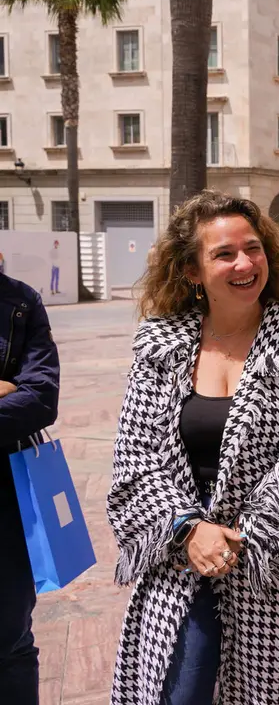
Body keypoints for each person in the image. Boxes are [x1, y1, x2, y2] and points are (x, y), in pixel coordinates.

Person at [107, 190, 279, 705]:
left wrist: (243, 537)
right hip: (183, 562)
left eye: (254, 248)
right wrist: (189, 530)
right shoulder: (160, 344)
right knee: (178, 688)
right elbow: (136, 455)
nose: (245, 263)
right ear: (193, 271)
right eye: (224, 254)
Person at [0, 272, 60, 705]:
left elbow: (39, 397)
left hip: (6, 499)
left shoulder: (20, 301)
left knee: (10, 638)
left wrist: (18, 393)